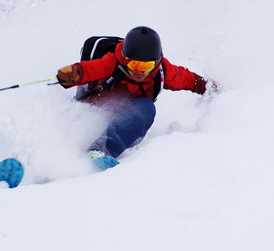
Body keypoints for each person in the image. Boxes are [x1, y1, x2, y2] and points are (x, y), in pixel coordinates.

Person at [56, 26, 217, 170]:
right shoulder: (111, 62)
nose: (139, 71)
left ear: (156, 62)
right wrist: (71, 74)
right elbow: (91, 69)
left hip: (127, 116)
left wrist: (212, 90)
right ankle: (33, 158)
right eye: (134, 65)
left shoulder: (164, 71)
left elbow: (189, 80)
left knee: (146, 108)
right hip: (91, 107)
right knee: (66, 122)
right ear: (125, 59)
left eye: (146, 66)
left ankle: (99, 150)